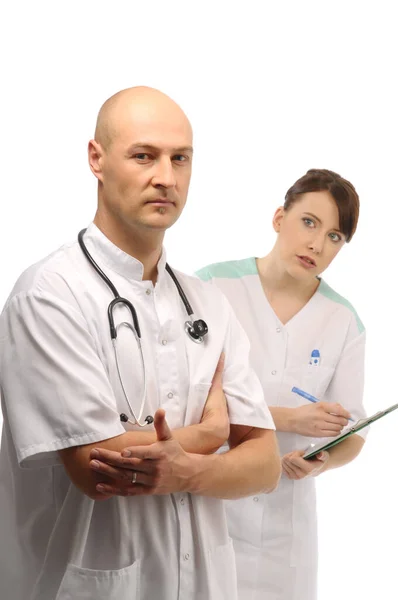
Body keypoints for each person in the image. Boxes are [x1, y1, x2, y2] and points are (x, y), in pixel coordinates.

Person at [0, 87, 281, 600]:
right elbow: (96, 468)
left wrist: (186, 469)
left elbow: (264, 463)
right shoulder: (49, 295)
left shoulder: (207, 303)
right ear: (96, 159)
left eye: (181, 159)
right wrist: (213, 432)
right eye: (144, 156)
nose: (166, 178)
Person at [196, 168, 367, 600]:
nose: (316, 244)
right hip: (211, 508)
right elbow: (189, 401)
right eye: (309, 222)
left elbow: (354, 429)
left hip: (286, 527)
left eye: (335, 237)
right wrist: (290, 418)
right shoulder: (213, 287)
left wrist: (323, 460)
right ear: (279, 218)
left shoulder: (344, 321)